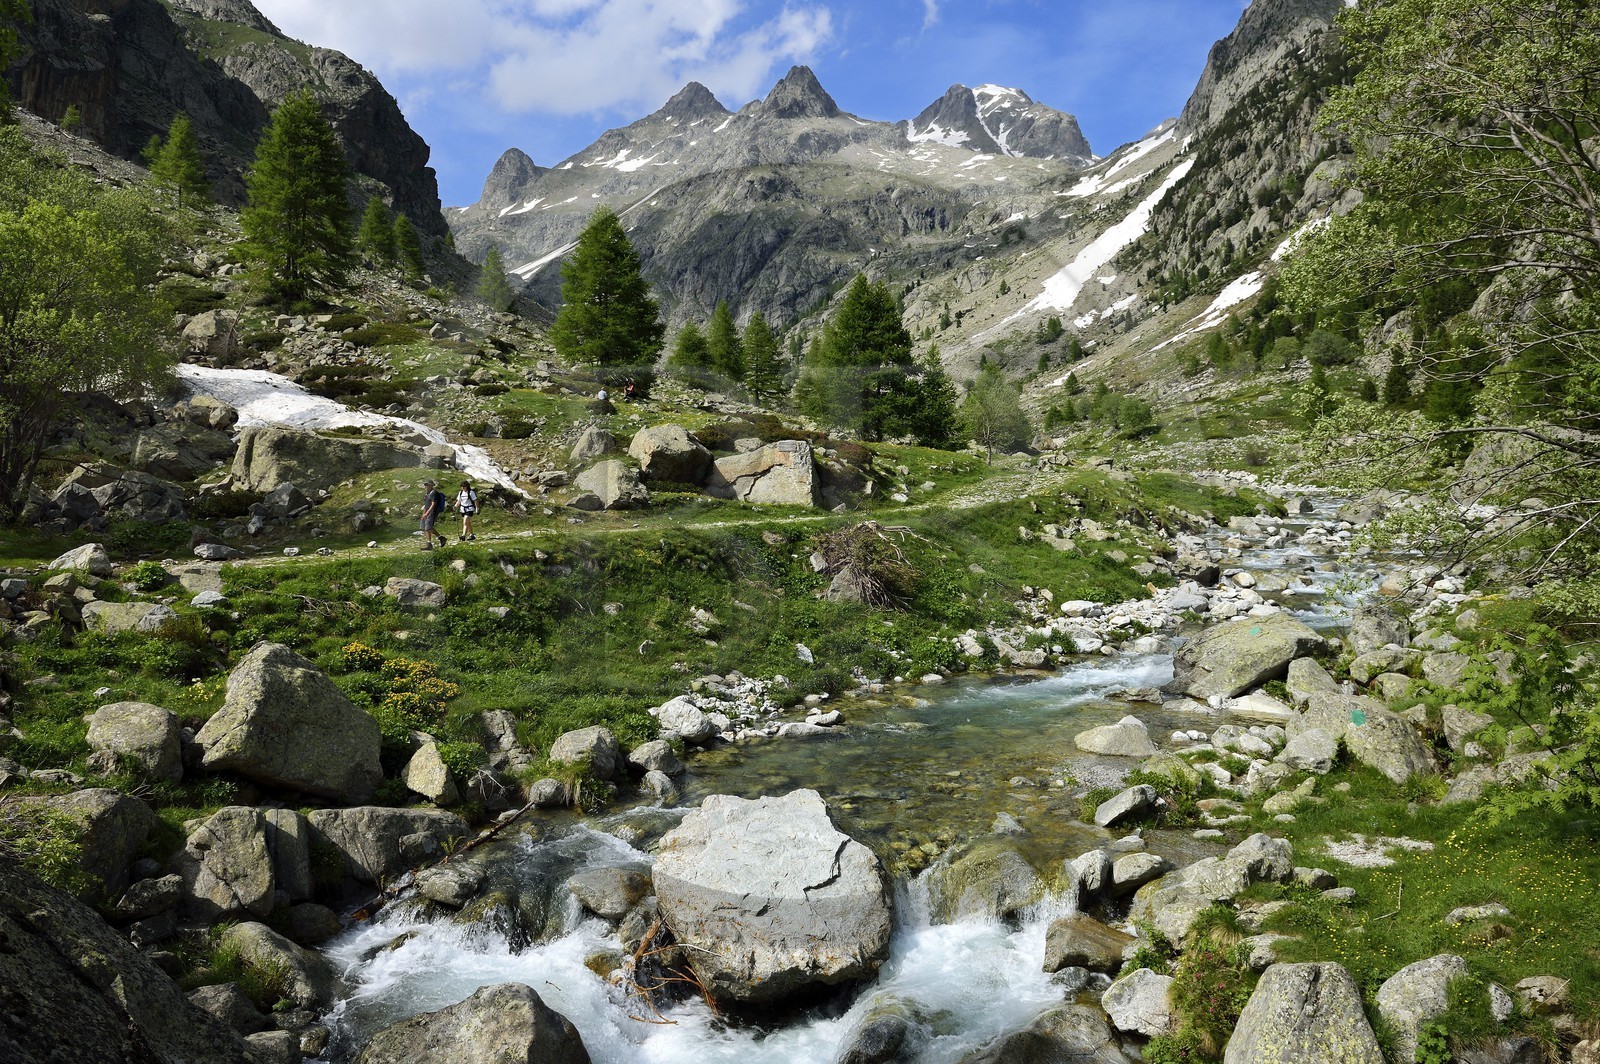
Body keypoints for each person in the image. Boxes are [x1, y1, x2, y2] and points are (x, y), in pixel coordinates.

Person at [419, 479, 448, 550]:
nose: (426, 486)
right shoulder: (427, 494)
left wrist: (427, 513)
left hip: (432, 512)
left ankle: (429, 544)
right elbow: (426, 505)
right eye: (425, 485)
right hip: (427, 512)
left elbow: (433, 504)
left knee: (428, 527)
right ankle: (441, 538)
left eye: (427, 485)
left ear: (432, 485)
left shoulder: (434, 493)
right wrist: (423, 515)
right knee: (424, 527)